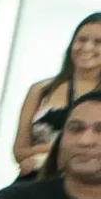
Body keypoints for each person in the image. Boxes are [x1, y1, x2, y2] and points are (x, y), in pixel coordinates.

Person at [13, 10, 101, 172]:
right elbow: (19, 152)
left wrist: (45, 154)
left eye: (98, 42)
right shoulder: (41, 90)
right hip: (34, 179)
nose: (87, 47)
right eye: (81, 40)